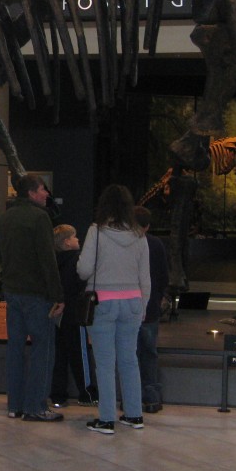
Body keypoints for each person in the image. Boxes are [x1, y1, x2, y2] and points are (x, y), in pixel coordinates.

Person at [77, 184, 150, 435]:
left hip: (104, 302)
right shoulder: (140, 236)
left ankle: (107, 419)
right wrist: (142, 308)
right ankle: (134, 414)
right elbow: (145, 278)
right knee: (129, 360)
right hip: (132, 302)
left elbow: (84, 269)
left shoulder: (96, 232)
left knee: (105, 363)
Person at [0, 173, 64, 422]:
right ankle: (36, 406)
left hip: (13, 293)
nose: (46, 194)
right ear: (32, 193)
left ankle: (15, 405)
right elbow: (47, 260)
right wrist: (58, 295)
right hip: (37, 295)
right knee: (43, 349)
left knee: (15, 348)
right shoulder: (39, 218)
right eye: (43, 189)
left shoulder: (5, 218)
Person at [50, 224, 98, 408]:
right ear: (67, 242)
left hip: (57, 315)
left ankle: (58, 395)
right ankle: (87, 393)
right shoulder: (77, 261)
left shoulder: (54, 262)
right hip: (74, 313)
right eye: (75, 237)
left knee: (59, 356)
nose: (78, 240)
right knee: (80, 354)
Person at [134, 206, 169, 414]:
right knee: (149, 353)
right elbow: (163, 276)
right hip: (150, 308)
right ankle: (152, 398)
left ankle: (132, 397)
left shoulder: (125, 245)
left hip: (128, 307)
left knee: (130, 354)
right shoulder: (156, 244)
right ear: (147, 226)